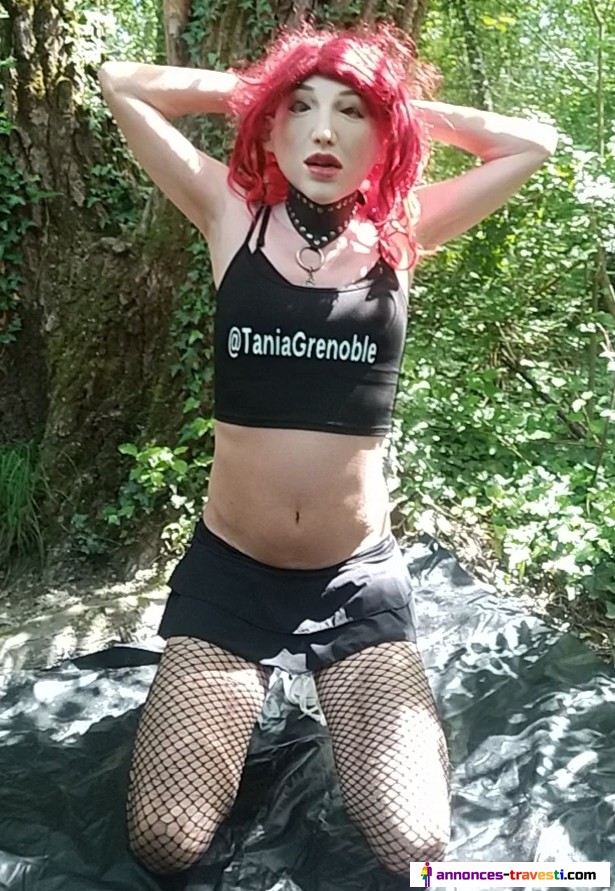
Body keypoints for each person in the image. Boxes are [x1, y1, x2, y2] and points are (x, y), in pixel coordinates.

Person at [99, 19, 557, 878]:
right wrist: (259, 91)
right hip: (232, 574)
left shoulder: (402, 229)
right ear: (270, 127)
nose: (322, 131)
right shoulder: (231, 215)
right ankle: (231, 695)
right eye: (300, 109)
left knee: (417, 846)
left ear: (382, 137)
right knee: (165, 841)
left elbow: (531, 142)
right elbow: (121, 82)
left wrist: (394, 105)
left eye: (351, 114)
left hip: (353, 581)